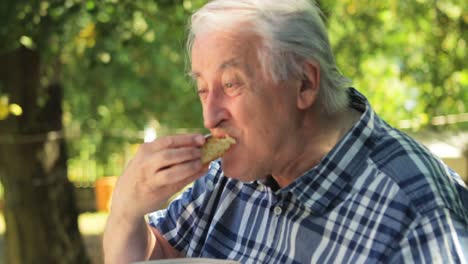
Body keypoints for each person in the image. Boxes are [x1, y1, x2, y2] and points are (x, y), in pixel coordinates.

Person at [103, 0, 468, 263]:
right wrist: (125, 211)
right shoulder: (233, 171)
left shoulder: (420, 218)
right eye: (202, 88)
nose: (210, 116)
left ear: (304, 84)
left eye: (232, 84)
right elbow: (159, 254)